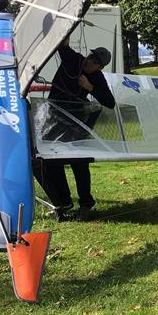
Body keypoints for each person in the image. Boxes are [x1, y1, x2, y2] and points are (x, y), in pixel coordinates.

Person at [34, 40, 115, 220]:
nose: (90, 61)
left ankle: (86, 203)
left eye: (95, 62)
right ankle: (63, 201)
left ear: (99, 68)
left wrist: (89, 87)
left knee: (79, 162)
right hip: (53, 117)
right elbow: (62, 43)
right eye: (91, 56)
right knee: (49, 159)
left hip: (75, 122)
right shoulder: (74, 59)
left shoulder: (97, 78)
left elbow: (110, 103)